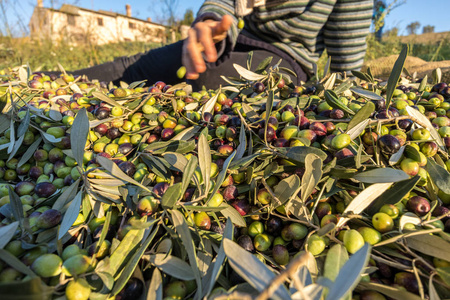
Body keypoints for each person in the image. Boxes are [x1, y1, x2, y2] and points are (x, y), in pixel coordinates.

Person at [74, 0, 374, 90]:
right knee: (139, 66)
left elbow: (346, 60)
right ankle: (45, 81)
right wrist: (207, 22)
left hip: (286, 59)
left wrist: (348, 100)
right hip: (233, 37)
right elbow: (224, 3)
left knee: (208, 78)